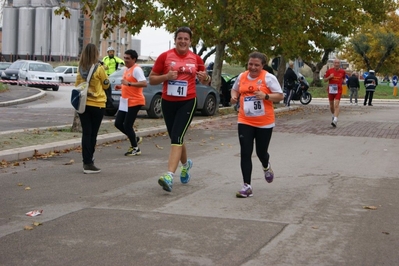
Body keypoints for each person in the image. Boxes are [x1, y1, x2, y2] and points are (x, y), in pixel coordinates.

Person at [149, 26, 210, 192]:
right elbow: (152, 79)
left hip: (188, 102)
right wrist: (166, 77)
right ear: (175, 40)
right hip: (168, 102)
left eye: (186, 39)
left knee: (177, 136)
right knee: (176, 137)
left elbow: (206, 81)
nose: (183, 41)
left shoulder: (196, 59)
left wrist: (206, 77)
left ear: (190, 41)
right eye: (179, 38)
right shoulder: (165, 56)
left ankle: (169, 175)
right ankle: (186, 164)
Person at [230, 51, 284, 198]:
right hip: (245, 120)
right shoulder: (242, 76)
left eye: (256, 65)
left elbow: (280, 96)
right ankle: (246, 186)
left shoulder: (268, 78)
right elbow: (235, 89)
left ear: (262, 66)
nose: (253, 67)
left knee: (261, 153)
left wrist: (266, 96)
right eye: (250, 64)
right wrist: (234, 96)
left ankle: (266, 166)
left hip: (264, 122)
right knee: (245, 152)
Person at [75, 43, 110, 174]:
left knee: (86, 133)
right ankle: (89, 163)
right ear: (95, 53)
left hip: (83, 105)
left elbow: (77, 85)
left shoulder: (80, 68)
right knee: (93, 134)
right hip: (97, 104)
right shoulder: (99, 68)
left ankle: (86, 161)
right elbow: (106, 85)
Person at [114, 49, 147, 156]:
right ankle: (135, 138)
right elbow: (128, 83)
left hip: (135, 101)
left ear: (134, 59)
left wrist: (128, 84)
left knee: (128, 125)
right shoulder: (126, 69)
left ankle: (135, 148)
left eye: (128, 58)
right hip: (125, 101)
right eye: (124, 58)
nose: (125, 60)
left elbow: (143, 83)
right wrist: (121, 87)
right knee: (118, 123)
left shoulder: (136, 69)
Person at [323, 58, 346, 127]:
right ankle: (333, 115)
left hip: (338, 90)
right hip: (331, 89)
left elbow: (344, 78)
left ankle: (335, 120)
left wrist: (344, 82)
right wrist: (330, 77)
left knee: (336, 105)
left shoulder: (342, 71)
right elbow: (324, 80)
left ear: (339, 64)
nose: (336, 64)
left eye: (338, 63)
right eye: (335, 63)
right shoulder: (329, 71)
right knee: (331, 106)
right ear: (333, 64)